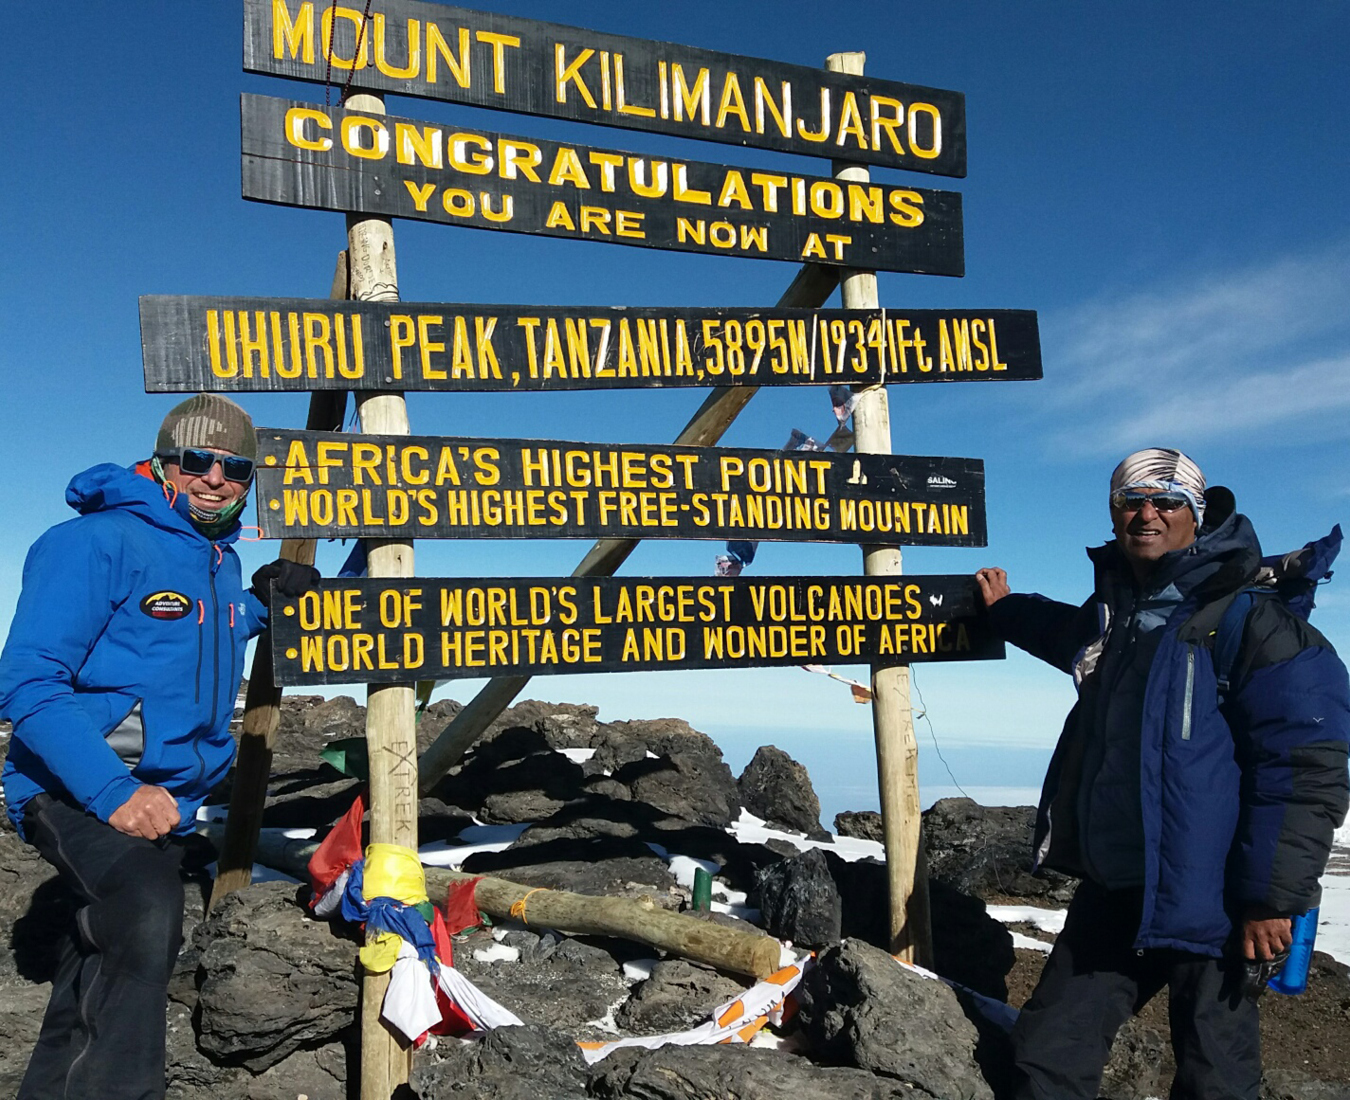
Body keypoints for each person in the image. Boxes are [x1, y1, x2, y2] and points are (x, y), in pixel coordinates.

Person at [976, 447, 1350, 1100]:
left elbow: (1305, 766)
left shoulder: (1253, 622)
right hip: (1118, 882)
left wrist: (1270, 898)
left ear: (1195, 515)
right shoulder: (1120, 611)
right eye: (1131, 500)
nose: (1147, 513)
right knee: (1046, 1052)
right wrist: (1005, 609)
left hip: (1218, 900)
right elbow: (1066, 633)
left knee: (1216, 1075)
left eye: (1167, 501)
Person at [0, 395, 318, 1100]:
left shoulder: (217, 561)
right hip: (75, 784)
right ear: (163, 462)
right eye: (197, 461)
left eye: (235, 468)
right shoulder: (93, 542)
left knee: (96, 967)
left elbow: (201, 638)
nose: (215, 478)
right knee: (146, 908)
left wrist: (274, 599)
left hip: (168, 799)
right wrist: (113, 792)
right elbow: (24, 681)